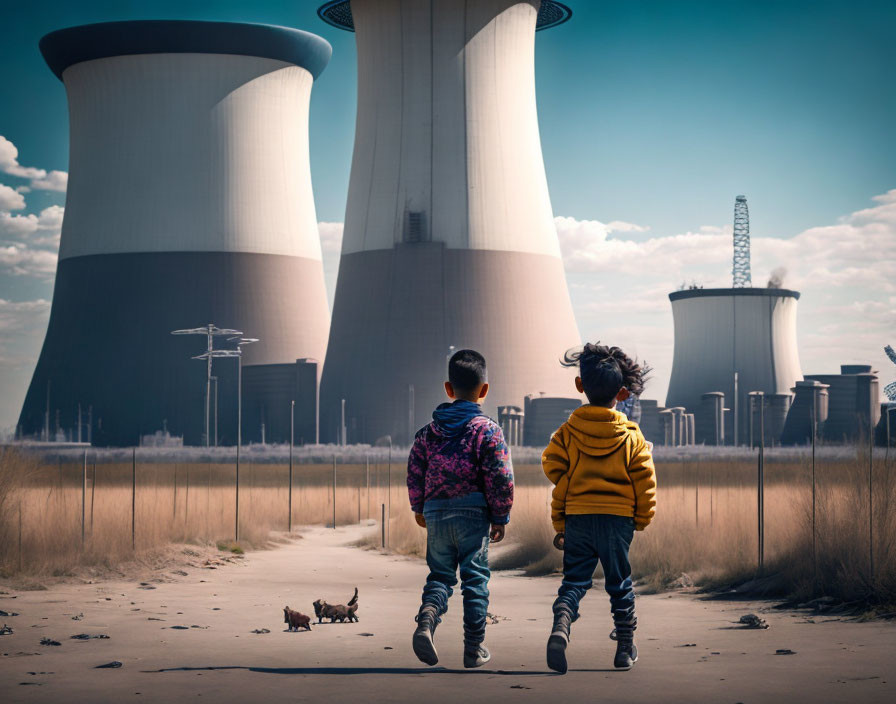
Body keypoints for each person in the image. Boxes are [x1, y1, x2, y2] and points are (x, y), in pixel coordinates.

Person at [542, 342, 656, 673]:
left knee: (574, 581)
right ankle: (624, 648)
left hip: (578, 516)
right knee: (619, 582)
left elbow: (551, 464)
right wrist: (642, 518)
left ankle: (561, 625)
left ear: (580, 386)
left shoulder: (567, 432)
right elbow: (644, 480)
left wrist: (569, 488)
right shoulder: (632, 436)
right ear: (622, 394)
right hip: (618, 520)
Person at [407, 349, 514, 669]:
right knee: (475, 580)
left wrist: (419, 507)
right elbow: (500, 476)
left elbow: (415, 471)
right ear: (484, 390)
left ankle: (427, 619)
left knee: (440, 576)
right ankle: (474, 648)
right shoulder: (488, 430)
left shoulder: (427, 433)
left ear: (448, 389)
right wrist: (500, 515)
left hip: (437, 512)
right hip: (473, 513)